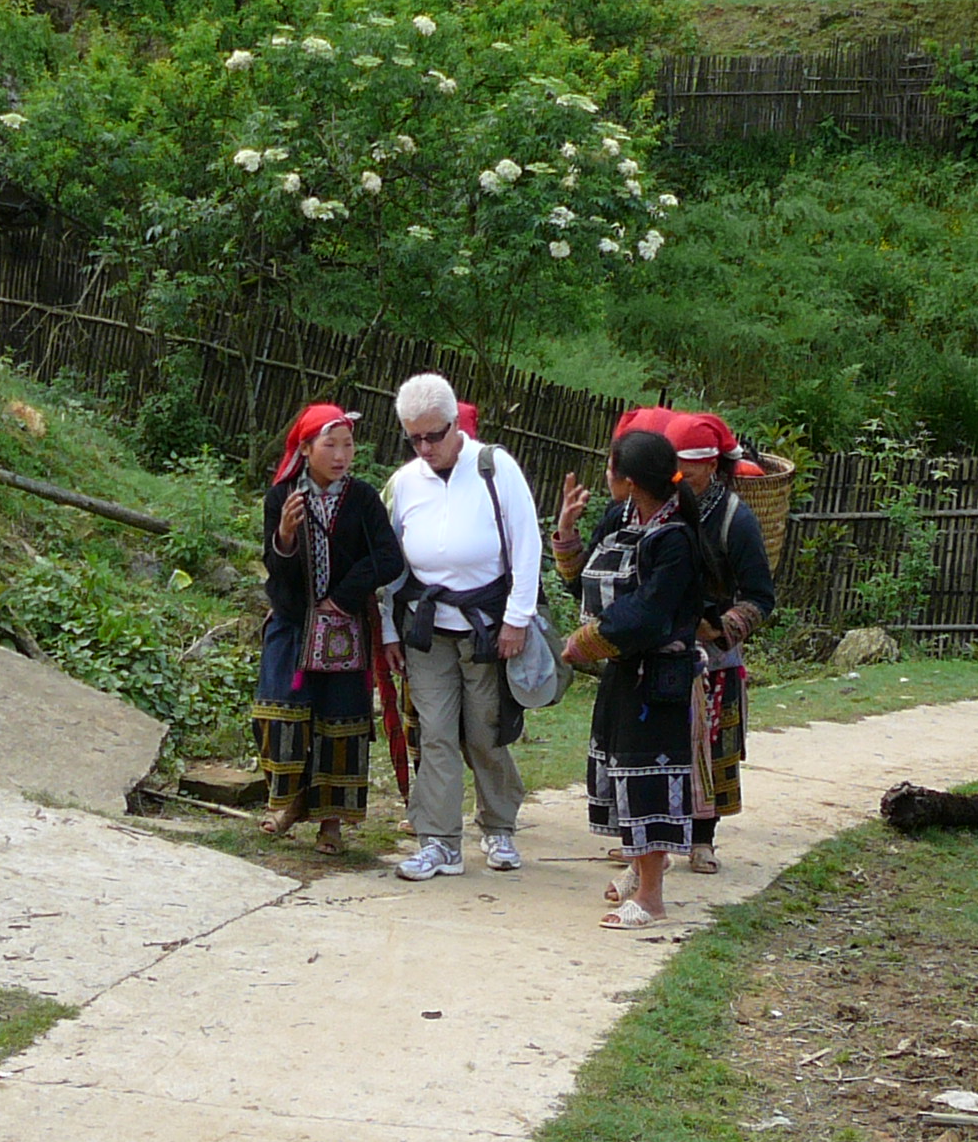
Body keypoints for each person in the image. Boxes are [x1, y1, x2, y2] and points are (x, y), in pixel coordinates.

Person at [380, 372, 542, 880]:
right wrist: (388, 631)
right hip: (427, 628)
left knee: (485, 730)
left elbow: (526, 545)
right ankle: (439, 840)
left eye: (435, 435)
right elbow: (392, 568)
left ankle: (499, 825)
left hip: (487, 626)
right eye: (415, 438)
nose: (426, 447)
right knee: (435, 733)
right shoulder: (404, 484)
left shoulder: (496, 468)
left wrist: (517, 619)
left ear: (456, 425)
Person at [558, 427, 703, 929]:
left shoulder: (676, 539)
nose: (605, 476)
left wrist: (586, 641)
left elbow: (649, 613)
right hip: (623, 671)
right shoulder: (622, 517)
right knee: (622, 771)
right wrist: (568, 534)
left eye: (610, 467)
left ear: (632, 480)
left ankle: (653, 898)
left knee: (648, 776)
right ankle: (640, 875)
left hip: (657, 677)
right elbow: (581, 579)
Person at [257, 403, 405, 855]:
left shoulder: (362, 500)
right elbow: (273, 567)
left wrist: (342, 596)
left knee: (340, 722)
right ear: (305, 448)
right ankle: (289, 801)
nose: (342, 455)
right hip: (293, 625)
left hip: (344, 630)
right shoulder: (281, 498)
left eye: (347, 445)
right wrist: (284, 538)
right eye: (330, 444)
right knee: (278, 714)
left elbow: (388, 557)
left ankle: (332, 823)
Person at [667, 410, 777, 873]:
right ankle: (651, 836)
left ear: (710, 467)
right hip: (664, 648)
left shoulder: (736, 519)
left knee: (710, 748)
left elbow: (760, 597)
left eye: (685, 467)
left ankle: (703, 840)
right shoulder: (661, 506)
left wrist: (719, 628)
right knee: (660, 744)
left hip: (714, 656)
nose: (676, 474)